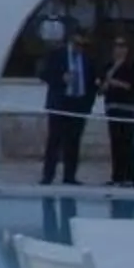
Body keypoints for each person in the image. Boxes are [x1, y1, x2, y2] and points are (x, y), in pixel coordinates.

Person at [38, 23, 98, 187]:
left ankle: (70, 176)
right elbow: (43, 74)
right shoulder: (57, 55)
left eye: (83, 45)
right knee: (54, 140)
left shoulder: (88, 59)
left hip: (78, 104)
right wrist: (60, 78)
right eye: (78, 44)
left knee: (74, 141)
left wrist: (88, 105)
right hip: (60, 103)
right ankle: (48, 175)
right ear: (72, 40)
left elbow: (92, 84)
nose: (80, 48)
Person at [101, 31, 134, 188]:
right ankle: (117, 176)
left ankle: (129, 177)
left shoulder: (133, 67)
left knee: (127, 143)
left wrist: (120, 84)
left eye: (122, 46)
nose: (119, 49)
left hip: (127, 109)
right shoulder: (109, 66)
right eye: (116, 46)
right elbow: (102, 85)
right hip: (112, 109)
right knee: (115, 143)